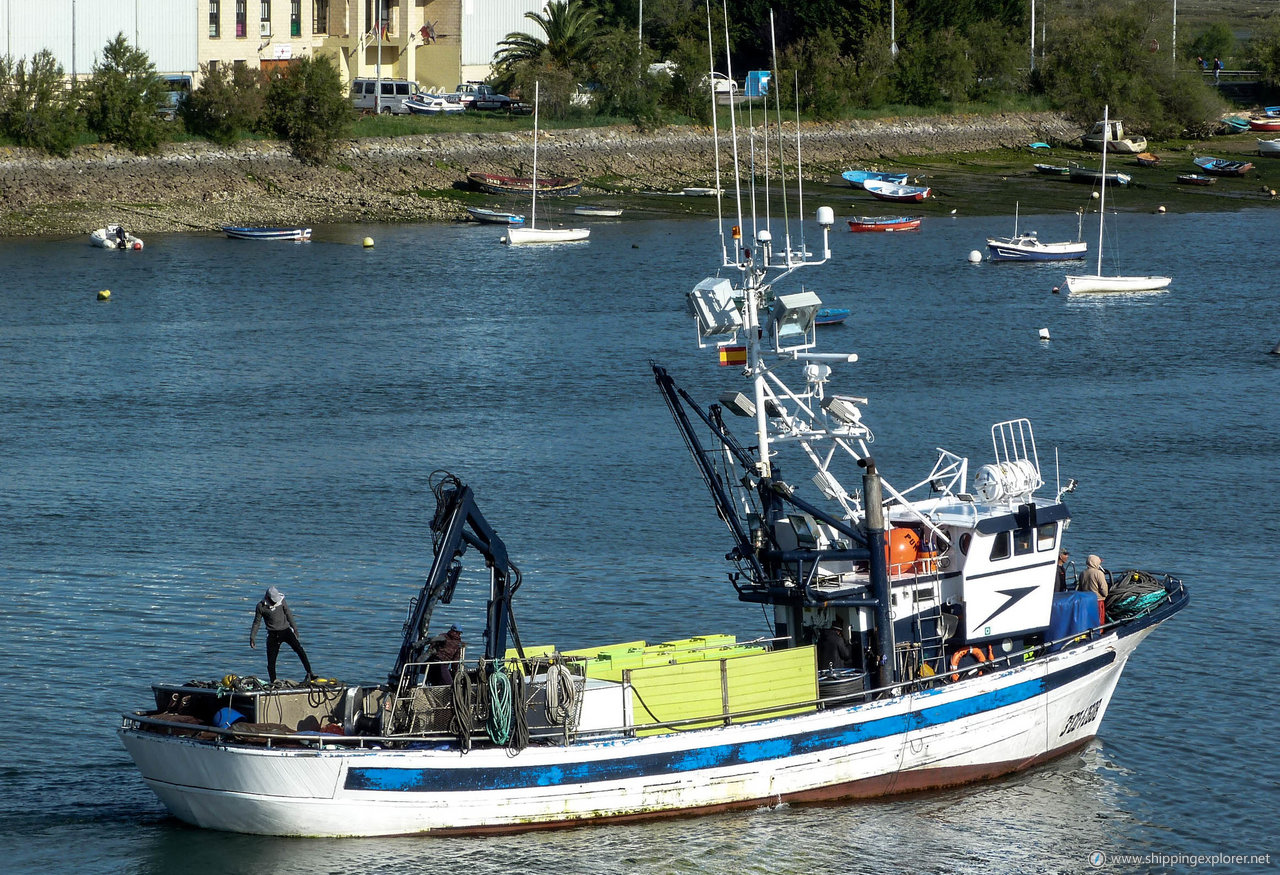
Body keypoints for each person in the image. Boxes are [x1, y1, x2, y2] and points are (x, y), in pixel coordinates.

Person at [249, 586, 315, 682]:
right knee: (271, 660)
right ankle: (274, 681)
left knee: (300, 650)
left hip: (286, 631)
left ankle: (310, 672)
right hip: (273, 634)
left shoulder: (282, 601)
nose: (275, 602)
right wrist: (252, 637)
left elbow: (288, 614)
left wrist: (295, 629)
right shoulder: (261, 606)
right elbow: (256, 623)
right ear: (267, 598)